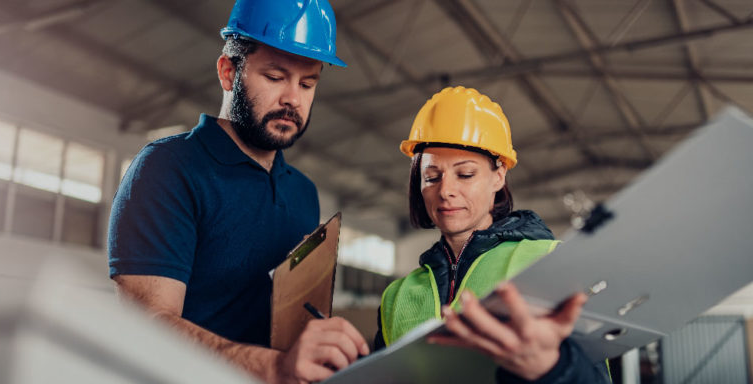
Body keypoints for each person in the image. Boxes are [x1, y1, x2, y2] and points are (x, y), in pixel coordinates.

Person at [107, 1, 368, 383]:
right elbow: (145, 326)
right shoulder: (168, 168)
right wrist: (275, 368)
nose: (293, 99)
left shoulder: (303, 193)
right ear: (228, 72)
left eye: (308, 83)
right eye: (276, 76)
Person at [375, 86, 611, 383]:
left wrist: (553, 369)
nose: (445, 191)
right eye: (432, 177)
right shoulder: (397, 297)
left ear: (498, 176)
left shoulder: (548, 261)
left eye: (465, 174)